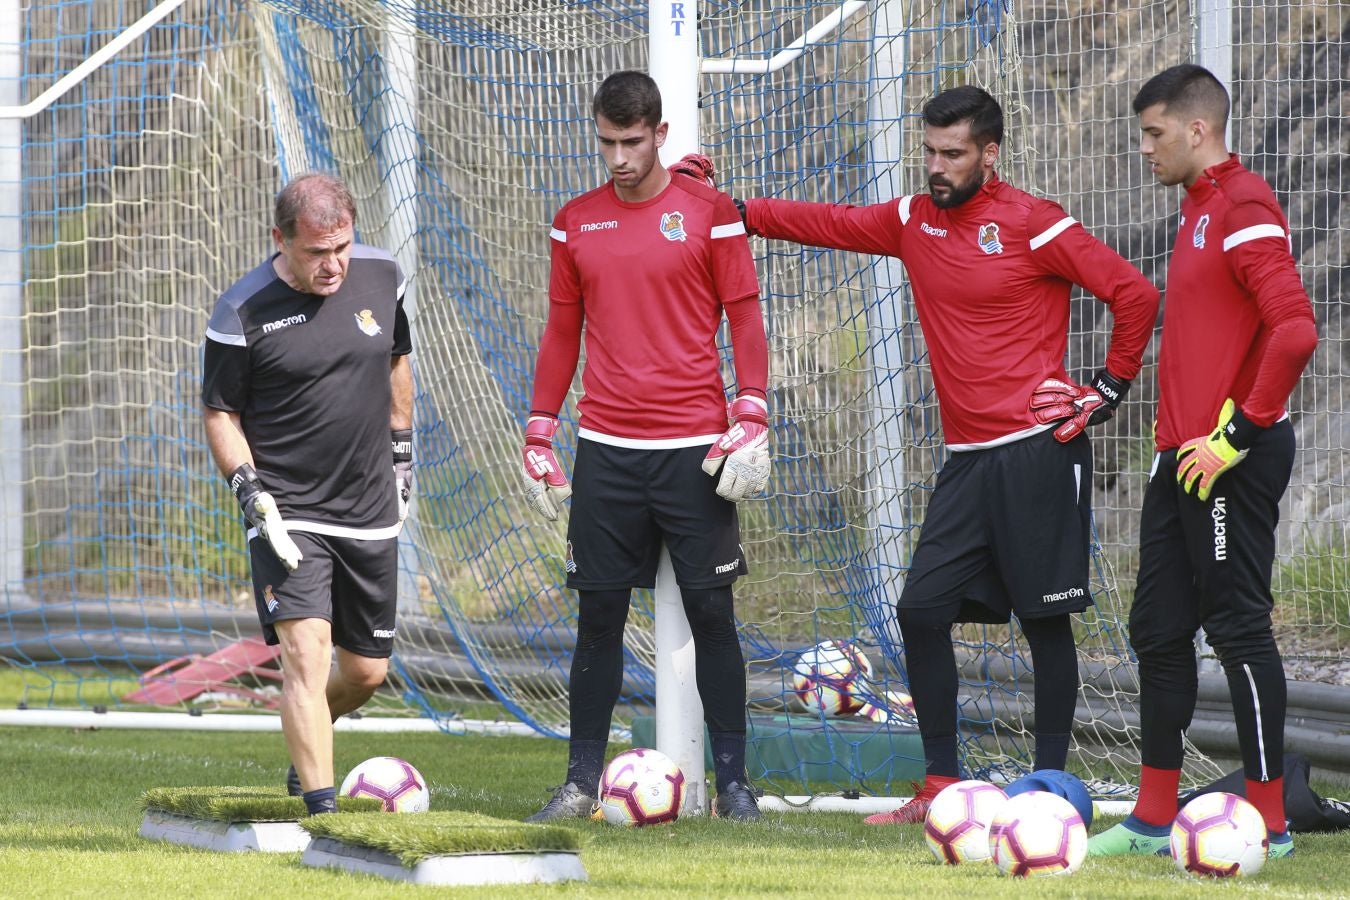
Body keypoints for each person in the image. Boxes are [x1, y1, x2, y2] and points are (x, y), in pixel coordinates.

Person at [703, 84, 1160, 825]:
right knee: (920, 610)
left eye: (953, 154)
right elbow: (832, 223)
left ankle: (1046, 790)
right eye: (930, 152)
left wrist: (1106, 389)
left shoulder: (1034, 223)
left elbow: (1134, 293)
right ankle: (941, 786)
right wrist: (739, 210)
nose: (937, 167)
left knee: (1045, 626)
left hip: (1038, 452)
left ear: (990, 154)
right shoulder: (915, 218)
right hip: (966, 461)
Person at [520, 70, 770, 822]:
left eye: (632, 142)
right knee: (596, 616)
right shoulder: (576, 220)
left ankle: (733, 786)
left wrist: (751, 408)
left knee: (712, 613)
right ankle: (579, 785)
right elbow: (564, 329)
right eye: (607, 142)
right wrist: (539, 424)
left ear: (662, 134)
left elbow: (745, 316)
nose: (619, 157)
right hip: (607, 450)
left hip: (695, 448)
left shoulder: (710, 212)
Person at [1088, 64, 1317, 859]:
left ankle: (1271, 824)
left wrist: (1234, 439)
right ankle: (1153, 817)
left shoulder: (1244, 204)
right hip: (1179, 458)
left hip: (1229, 458)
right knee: (1155, 631)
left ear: (1198, 129)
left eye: (1154, 135)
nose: (1145, 149)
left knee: (1239, 631)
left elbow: (1295, 330)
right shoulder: (1197, 210)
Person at [202, 173, 414, 816]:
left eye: (342, 247)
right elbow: (219, 413)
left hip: (371, 505)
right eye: (317, 252)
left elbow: (397, 358)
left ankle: (307, 741)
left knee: (365, 673)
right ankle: (322, 812)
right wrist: (251, 494)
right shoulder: (239, 311)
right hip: (287, 510)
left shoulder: (383, 275)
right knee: (304, 653)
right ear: (281, 240)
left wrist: (402, 449)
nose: (334, 265)